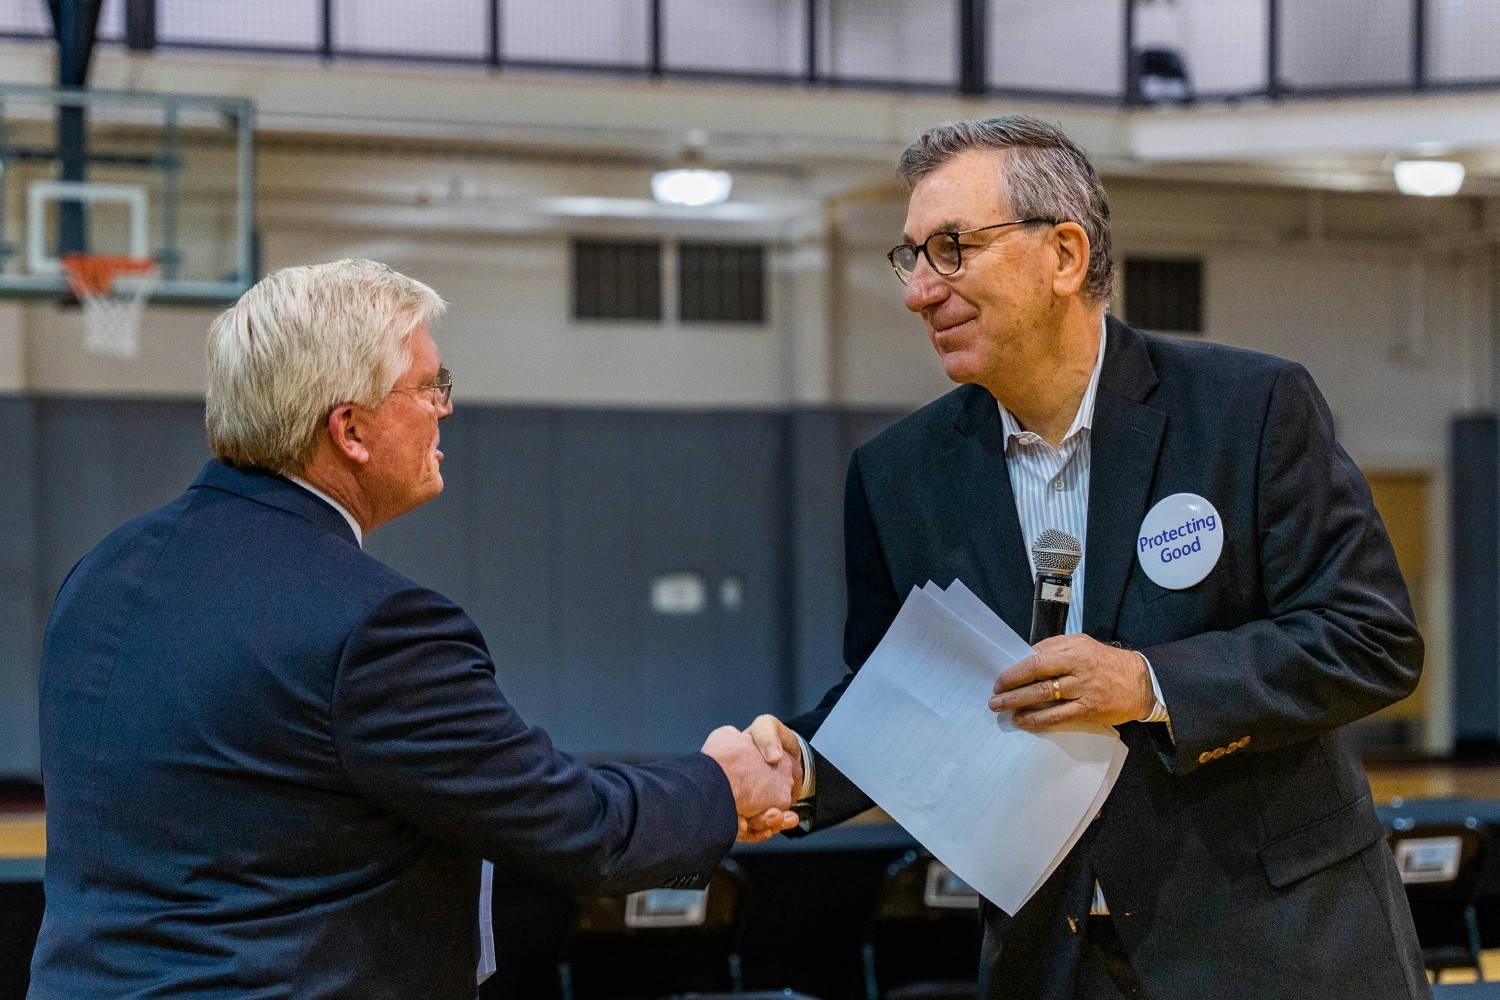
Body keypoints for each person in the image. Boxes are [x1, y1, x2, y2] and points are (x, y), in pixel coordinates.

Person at [748, 117, 1429, 999]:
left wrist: (1149, 684)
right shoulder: (895, 476)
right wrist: (797, 768)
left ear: (1065, 254)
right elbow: (904, 701)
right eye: (911, 256)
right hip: (1053, 965)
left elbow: (1370, 640)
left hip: (1279, 946)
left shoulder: (1249, 409)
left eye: (952, 249)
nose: (920, 290)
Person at [27, 259, 799, 999]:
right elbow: (576, 827)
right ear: (351, 430)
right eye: (429, 386)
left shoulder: (102, 572)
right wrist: (722, 787)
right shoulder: (374, 626)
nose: (445, 407)